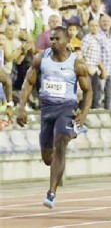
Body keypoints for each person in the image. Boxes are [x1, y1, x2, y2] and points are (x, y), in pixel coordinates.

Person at [16, 26, 92, 209]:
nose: (53, 42)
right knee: (47, 158)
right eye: (51, 39)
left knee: (60, 144)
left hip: (66, 107)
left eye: (57, 39)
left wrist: (84, 112)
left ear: (67, 41)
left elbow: (88, 90)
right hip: (47, 108)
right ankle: (74, 131)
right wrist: (21, 108)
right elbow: (28, 83)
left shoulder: (77, 63)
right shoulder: (41, 59)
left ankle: (51, 192)